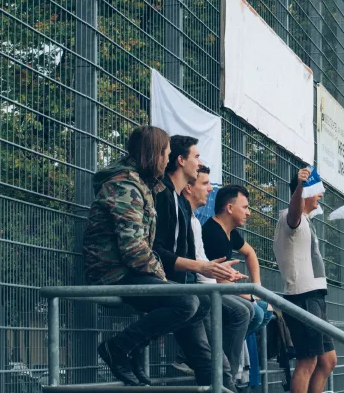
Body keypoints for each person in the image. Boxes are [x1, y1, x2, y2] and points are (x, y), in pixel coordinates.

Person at [82, 126, 194, 386]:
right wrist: (163, 279)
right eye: (166, 153)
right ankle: (118, 348)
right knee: (186, 302)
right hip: (112, 273)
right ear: (155, 154)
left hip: (127, 270)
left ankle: (131, 349)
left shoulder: (142, 186)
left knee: (200, 303)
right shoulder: (125, 186)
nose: (168, 159)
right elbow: (134, 249)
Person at [152, 135, 244, 391]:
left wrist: (212, 270)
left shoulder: (178, 202)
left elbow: (191, 257)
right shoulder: (165, 197)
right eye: (196, 157)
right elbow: (158, 251)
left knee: (217, 362)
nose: (200, 162)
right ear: (181, 161)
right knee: (215, 362)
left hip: (190, 291)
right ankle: (121, 348)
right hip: (179, 291)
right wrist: (204, 269)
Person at [273, 168, 336, 393]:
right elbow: (294, 213)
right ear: (305, 193)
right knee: (307, 361)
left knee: (328, 361)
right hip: (303, 297)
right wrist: (300, 186)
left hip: (315, 297)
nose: (321, 194)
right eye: (317, 190)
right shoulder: (290, 218)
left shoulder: (307, 222)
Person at [202, 184, 273, 337]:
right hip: (211, 294)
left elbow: (250, 253)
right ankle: (219, 355)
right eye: (245, 207)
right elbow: (220, 282)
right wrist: (252, 296)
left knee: (265, 310)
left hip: (224, 292)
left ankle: (226, 353)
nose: (249, 213)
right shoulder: (213, 234)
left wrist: (257, 285)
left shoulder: (229, 231)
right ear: (229, 207)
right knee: (259, 312)